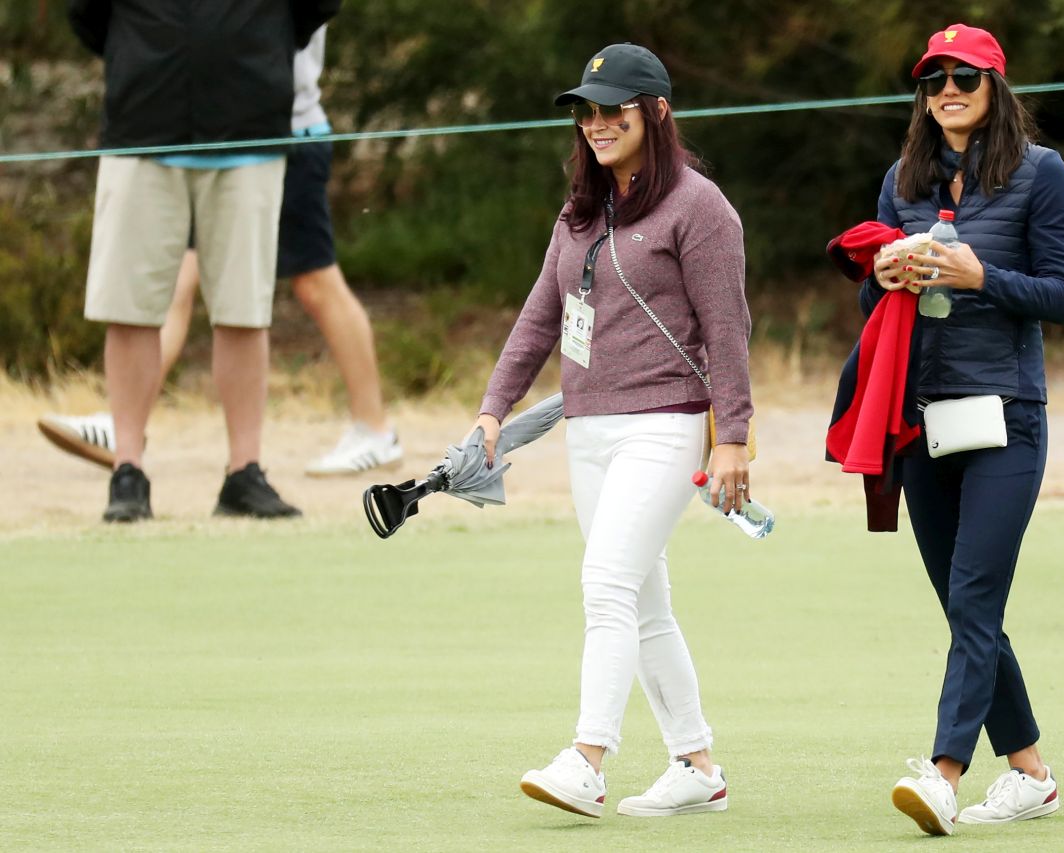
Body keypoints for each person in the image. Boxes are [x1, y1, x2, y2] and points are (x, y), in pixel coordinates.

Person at [471, 44, 752, 819]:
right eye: (587, 112)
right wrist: (495, 407)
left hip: (665, 426)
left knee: (606, 585)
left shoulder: (701, 208)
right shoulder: (582, 209)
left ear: (655, 114)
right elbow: (541, 314)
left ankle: (587, 759)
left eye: (613, 111)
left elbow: (729, 332)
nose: (596, 125)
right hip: (588, 429)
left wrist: (733, 434)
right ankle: (697, 764)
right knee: (644, 601)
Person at [863, 24, 1064, 836]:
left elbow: (1061, 293)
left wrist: (980, 275)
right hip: (922, 419)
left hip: (1007, 415)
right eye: (934, 79)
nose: (947, 90)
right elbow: (870, 306)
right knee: (964, 607)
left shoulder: (1041, 172)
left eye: (964, 76)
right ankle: (1030, 773)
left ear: (995, 85)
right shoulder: (902, 181)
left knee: (974, 593)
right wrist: (884, 275)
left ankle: (945, 772)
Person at [38, 24, 401, 480]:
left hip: (285, 135)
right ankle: (126, 423)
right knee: (176, 284)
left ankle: (375, 429)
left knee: (315, 281)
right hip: (219, 143)